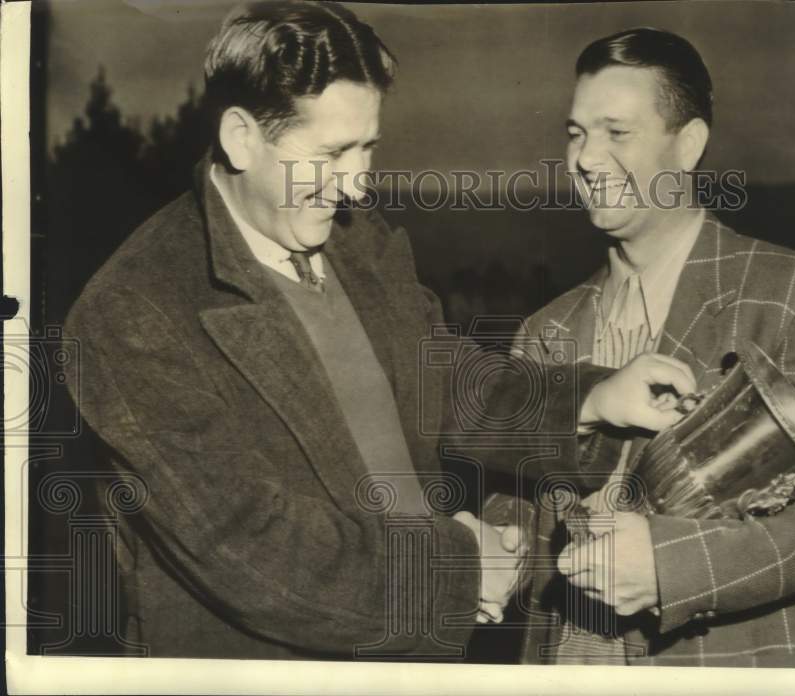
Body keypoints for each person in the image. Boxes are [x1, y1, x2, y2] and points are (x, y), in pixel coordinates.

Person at [62, 2, 692, 660]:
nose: (357, 184)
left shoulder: (356, 241)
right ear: (241, 137)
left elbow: (443, 379)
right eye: (332, 152)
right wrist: (458, 570)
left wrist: (589, 401)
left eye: (367, 148)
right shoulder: (134, 311)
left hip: (414, 652)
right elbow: (250, 551)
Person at [490, 28, 795, 667]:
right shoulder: (545, 330)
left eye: (617, 133)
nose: (587, 158)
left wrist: (667, 566)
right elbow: (515, 515)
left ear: (689, 144)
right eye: (575, 133)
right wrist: (489, 543)